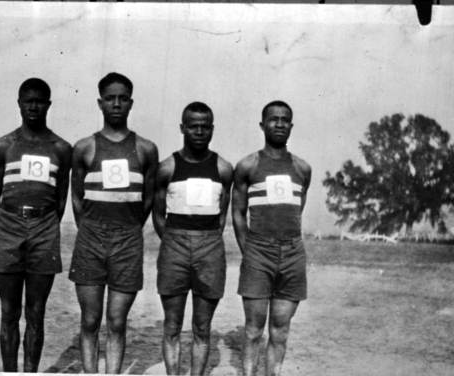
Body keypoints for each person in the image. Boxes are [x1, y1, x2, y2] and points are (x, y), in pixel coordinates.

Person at [69, 72, 158, 374]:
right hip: (91, 239)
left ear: (131, 103)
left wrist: (129, 227)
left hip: (128, 240)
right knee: (90, 320)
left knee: (117, 321)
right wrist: (93, 228)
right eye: (110, 99)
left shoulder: (146, 149)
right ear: (100, 103)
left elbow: (147, 200)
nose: (116, 104)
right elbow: (77, 199)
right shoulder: (84, 147)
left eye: (122, 99)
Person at [0, 78, 72, 372]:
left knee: (36, 312)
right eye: (28, 101)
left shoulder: (61, 148)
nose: (33, 106)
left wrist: (41, 225)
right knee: (9, 312)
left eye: (39, 101)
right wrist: (5, 229)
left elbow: (60, 199)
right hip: (8, 227)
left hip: (44, 230)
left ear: (48, 104)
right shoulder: (3, 146)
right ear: (19, 103)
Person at [232, 100, 312, 376]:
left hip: (292, 253)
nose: (279, 124)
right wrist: (250, 251)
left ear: (291, 125)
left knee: (280, 329)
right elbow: (239, 214)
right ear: (262, 125)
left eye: (284, 119)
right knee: (254, 329)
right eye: (273, 119)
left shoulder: (302, 169)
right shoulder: (248, 166)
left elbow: (295, 211)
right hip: (258, 252)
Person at [153, 102, 233, 375]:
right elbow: (158, 214)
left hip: (210, 246)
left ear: (212, 129)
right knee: (172, 324)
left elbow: (223, 213)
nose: (199, 131)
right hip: (174, 245)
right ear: (182, 128)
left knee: (202, 326)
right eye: (193, 126)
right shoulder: (167, 167)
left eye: (205, 126)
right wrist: (175, 241)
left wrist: (205, 240)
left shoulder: (223, 168)